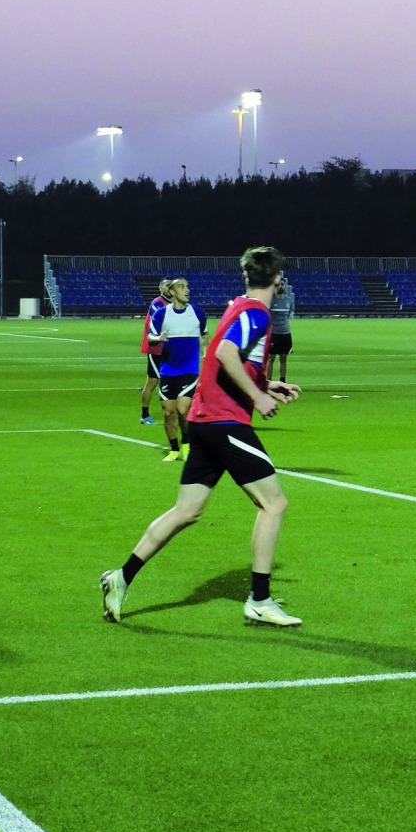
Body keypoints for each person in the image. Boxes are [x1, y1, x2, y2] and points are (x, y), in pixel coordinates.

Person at [100, 247, 303, 627]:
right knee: (273, 504)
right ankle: (259, 599)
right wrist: (257, 397)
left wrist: (266, 383)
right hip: (224, 423)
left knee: (187, 511)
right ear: (278, 280)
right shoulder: (257, 312)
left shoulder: (238, 306)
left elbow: (227, 356)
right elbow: (226, 353)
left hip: (204, 421)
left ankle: (120, 578)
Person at [147, 277, 207, 462]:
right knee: (168, 412)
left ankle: (187, 444)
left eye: (187, 286)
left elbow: (204, 334)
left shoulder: (197, 313)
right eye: (181, 287)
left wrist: (206, 351)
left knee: (183, 409)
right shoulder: (161, 315)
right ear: (172, 292)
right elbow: (150, 337)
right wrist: (158, 339)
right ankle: (174, 449)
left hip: (189, 370)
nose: (186, 290)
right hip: (168, 370)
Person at [138, 278, 173, 425]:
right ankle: (144, 415)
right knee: (152, 382)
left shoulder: (174, 303)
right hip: (156, 347)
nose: (169, 287)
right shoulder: (157, 303)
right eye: (166, 285)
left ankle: (172, 410)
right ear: (161, 288)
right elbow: (162, 321)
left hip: (169, 348)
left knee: (171, 379)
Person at [266, 273, 294, 381]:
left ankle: (283, 380)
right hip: (274, 333)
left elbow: (287, 315)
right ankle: (268, 381)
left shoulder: (288, 300)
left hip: (285, 333)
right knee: (271, 358)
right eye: (278, 285)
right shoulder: (270, 300)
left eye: (282, 284)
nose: (280, 286)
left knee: (283, 358)